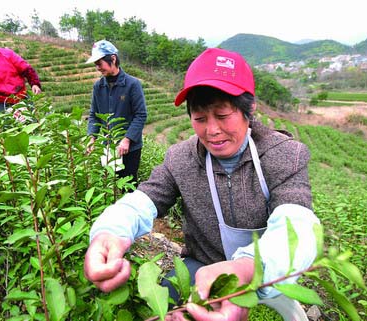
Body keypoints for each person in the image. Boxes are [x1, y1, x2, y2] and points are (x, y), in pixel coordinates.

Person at [84, 47, 320, 321]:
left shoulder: (285, 155)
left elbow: (297, 224)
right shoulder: (181, 158)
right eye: (199, 118)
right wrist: (109, 233)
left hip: (268, 267)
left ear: (249, 109)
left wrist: (247, 269)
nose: (212, 131)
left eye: (222, 116)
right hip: (204, 263)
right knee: (166, 304)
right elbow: (143, 200)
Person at [85, 40, 147, 185]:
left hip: (130, 148)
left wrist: (127, 139)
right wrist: (91, 137)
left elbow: (140, 115)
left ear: (112, 59)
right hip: (109, 147)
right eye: (96, 64)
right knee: (112, 184)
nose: (98, 68)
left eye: (100, 63)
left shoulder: (132, 84)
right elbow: (94, 114)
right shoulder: (98, 87)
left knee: (129, 186)